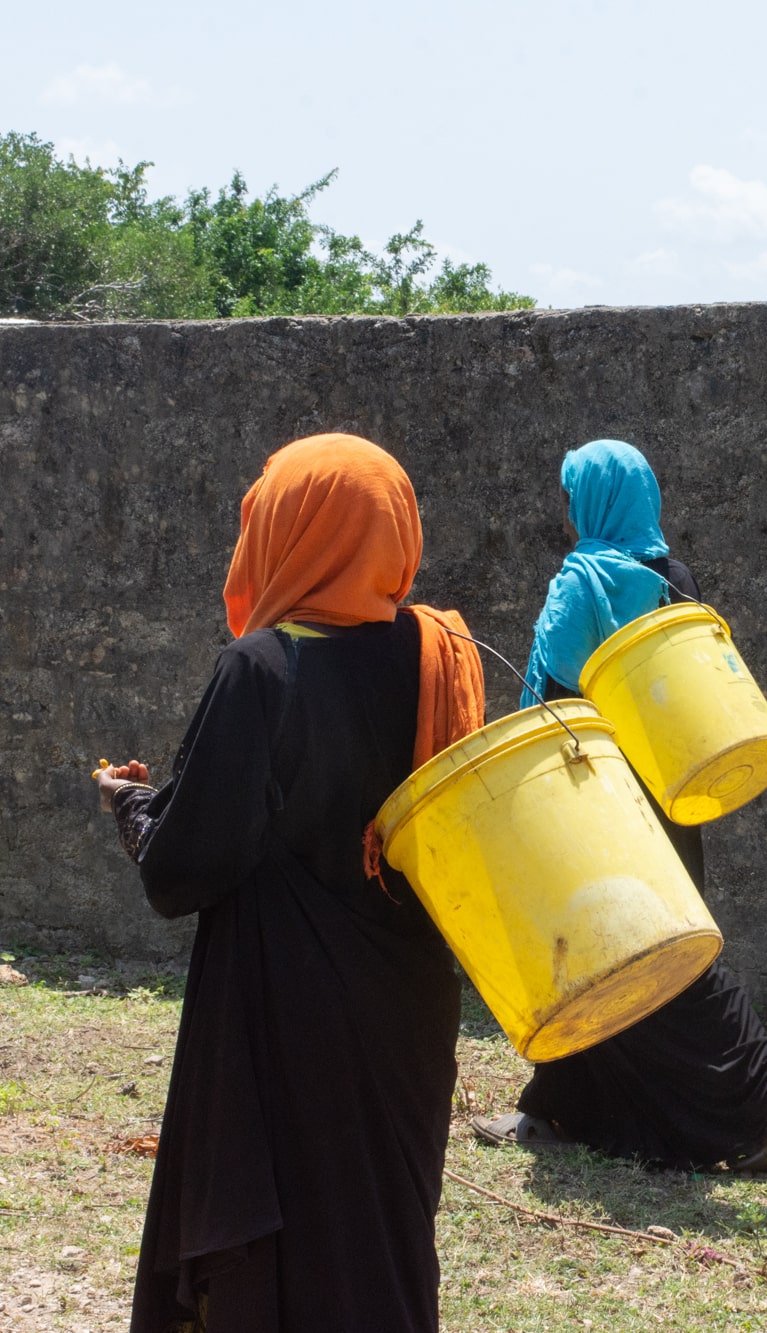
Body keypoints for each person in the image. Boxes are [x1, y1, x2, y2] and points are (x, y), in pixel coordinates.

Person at [91, 433, 484, 1333]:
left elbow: (183, 868)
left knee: (290, 1247)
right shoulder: (438, 651)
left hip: (286, 1016)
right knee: (378, 1234)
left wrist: (129, 803)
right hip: (408, 1005)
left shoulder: (263, 669)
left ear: (284, 529)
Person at [471, 438, 767, 1172]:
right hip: (671, 800)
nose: (571, 511)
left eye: (574, 496)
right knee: (592, 961)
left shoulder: (582, 581)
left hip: (596, 805)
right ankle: (558, 1108)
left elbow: (551, 698)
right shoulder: (675, 579)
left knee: (659, 963)